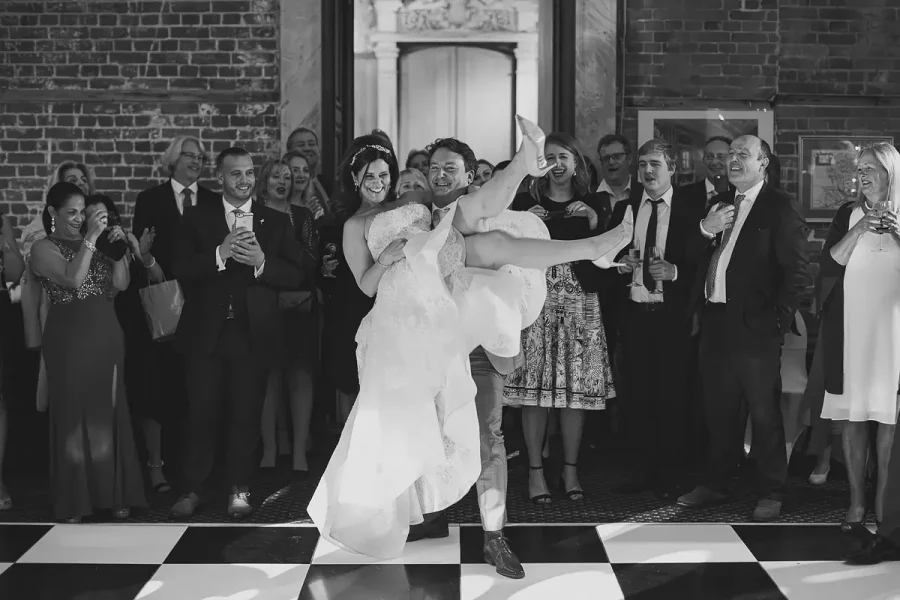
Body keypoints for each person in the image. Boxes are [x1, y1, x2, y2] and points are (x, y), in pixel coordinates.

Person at [308, 118, 633, 575]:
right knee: (412, 431)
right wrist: (388, 257)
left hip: (468, 329)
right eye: (371, 176)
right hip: (413, 332)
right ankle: (420, 514)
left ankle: (495, 538)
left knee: (486, 436)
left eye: (386, 174)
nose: (382, 183)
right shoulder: (359, 223)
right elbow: (364, 285)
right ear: (355, 180)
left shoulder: (423, 204)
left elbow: (480, 206)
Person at [677, 135, 811, 522]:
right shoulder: (718, 204)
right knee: (718, 411)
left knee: (764, 413)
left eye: (743, 154)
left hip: (757, 328)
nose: (733, 160)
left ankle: (772, 490)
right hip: (715, 322)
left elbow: (798, 274)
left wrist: (776, 322)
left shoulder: (779, 206)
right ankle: (716, 483)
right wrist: (706, 228)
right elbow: (689, 257)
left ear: (763, 162)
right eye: (731, 154)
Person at [169, 147, 306, 520]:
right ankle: (193, 488)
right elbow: (180, 266)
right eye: (235, 174)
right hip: (205, 333)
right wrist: (219, 254)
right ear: (220, 178)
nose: (244, 180)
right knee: (200, 413)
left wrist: (262, 263)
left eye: (248, 173)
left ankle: (239, 488)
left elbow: (297, 274)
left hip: (253, 334)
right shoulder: (196, 217)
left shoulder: (273, 222)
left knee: (245, 415)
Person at [505, 133, 616, 505]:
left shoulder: (597, 202)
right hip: (536, 302)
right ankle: (535, 471)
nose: (556, 164)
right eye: (549, 157)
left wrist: (594, 220)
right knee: (534, 391)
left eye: (563, 156)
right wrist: (524, 224)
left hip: (580, 302)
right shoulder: (524, 203)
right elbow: (507, 250)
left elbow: (609, 253)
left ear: (576, 162)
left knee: (574, 393)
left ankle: (570, 470)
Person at [30, 182, 147, 522]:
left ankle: (116, 494)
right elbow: (72, 280)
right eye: (72, 212)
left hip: (106, 334)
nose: (79, 219)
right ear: (52, 213)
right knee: (72, 416)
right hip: (68, 339)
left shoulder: (93, 244)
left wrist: (118, 249)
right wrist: (92, 240)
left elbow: (120, 284)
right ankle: (75, 501)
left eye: (82, 212)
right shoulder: (43, 248)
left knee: (110, 412)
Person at [612, 139, 706, 499]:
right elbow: (608, 255)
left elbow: (705, 262)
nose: (648, 171)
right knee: (637, 396)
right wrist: (621, 264)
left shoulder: (692, 210)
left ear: (672, 169)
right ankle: (640, 472)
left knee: (673, 398)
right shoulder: (626, 207)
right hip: (635, 314)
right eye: (642, 165)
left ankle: (672, 476)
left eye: (655, 164)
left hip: (673, 317)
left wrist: (675, 272)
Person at [819, 142, 900, 534]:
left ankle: (884, 501)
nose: (863, 174)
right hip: (850, 328)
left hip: (892, 331)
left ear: (891, 172)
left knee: (888, 416)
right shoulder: (847, 214)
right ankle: (856, 501)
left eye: (872, 168)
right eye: (861, 168)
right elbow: (830, 262)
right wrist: (861, 227)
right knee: (853, 413)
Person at [131, 135, 218, 494]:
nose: (196, 161)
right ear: (172, 160)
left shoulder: (213, 200)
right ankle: (158, 465)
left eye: (201, 157)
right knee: (160, 385)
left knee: (198, 389)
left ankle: (196, 469)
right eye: (189, 156)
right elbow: (139, 252)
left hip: (205, 306)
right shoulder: (150, 199)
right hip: (163, 302)